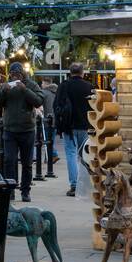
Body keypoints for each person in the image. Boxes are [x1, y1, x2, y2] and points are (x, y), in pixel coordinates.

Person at [0, 62, 44, 202]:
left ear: (22, 74)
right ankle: (10, 190)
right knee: (9, 161)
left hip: (27, 130)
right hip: (10, 130)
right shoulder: (6, 85)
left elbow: (39, 101)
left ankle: (25, 191)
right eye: (12, 74)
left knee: (27, 163)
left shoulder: (31, 85)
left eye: (17, 74)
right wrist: (4, 90)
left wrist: (25, 89)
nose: (15, 77)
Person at [54, 62, 96, 197]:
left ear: (70, 72)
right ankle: (85, 185)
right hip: (85, 125)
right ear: (82, 72)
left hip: (69, 126)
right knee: (84, 155)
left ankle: (74, 185)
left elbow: (57, 105)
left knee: (71, 155)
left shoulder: (64, 86)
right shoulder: (88, 87)